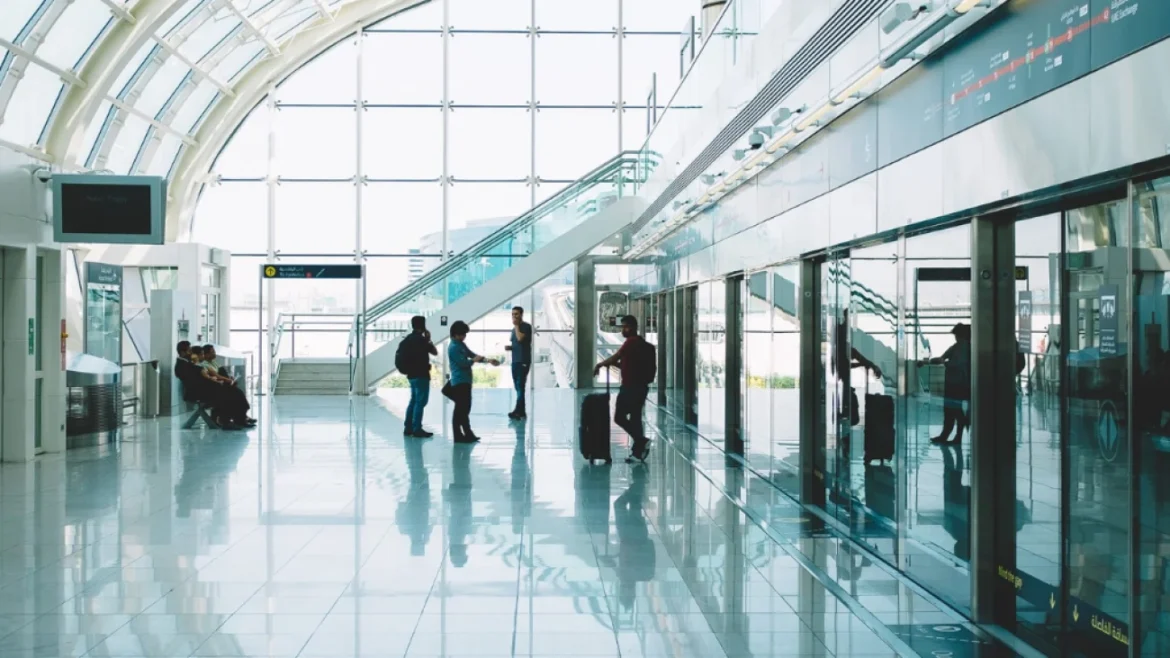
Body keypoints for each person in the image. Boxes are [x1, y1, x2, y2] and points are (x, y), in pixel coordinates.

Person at [593, 315, 653, 462]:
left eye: (625, 327)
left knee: (619, 417)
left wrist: (600, 364)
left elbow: (617, 356)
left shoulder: (631, 342)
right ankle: (638, 453)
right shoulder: (640, 343)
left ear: (632, 327)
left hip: (630, 388)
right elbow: (627, 365)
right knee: (635, 418)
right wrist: (614, 364)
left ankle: (641, 440)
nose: (622, 330)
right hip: (640, 387)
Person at [447, 321, 499, 444]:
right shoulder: (453, 347)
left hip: (465, 380)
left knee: (465, 408)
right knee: (460, 409)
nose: (464, 337)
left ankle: (467, 433)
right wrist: (473, 361)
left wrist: (487, 360)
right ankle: (459, 434)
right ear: (455, 334)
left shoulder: (461, 345)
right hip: (459, 381)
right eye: (462, 334)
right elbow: (463, 363)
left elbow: (472, 355)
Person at [920, 323, 971, 444]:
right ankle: (951, 435)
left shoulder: (961, 347)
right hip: (959, 383)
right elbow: (941, 359)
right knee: (952, 409)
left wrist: (928, 362)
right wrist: (928, 362)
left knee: (952, 410)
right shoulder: (962, 347)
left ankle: (950, 434)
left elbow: (951, 362)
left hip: (956, 383)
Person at [398, 316, 438, 438]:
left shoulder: (408, 339)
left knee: (414, 400)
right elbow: (435, 352)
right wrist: (429, 339)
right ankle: (417, 429)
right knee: (420, 402)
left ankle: (408, 427)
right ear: (423, 325)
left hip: (411, 375)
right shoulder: (422, 340)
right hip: (421, 374)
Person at [505, 306, 533, 420]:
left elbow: (521, 339)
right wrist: (510, 347)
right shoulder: (513, 330)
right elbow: (517, 343)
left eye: (516, 314)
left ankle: (518, 411)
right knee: (517, 386)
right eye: (512, 314)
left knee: (520, 386)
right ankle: (521, 411)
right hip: (515, 361)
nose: (514, 316)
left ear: (521, 314)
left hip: (523, 361)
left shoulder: (526, 327)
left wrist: (516, 325)